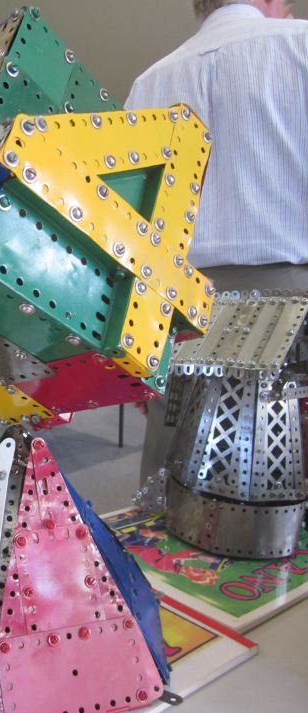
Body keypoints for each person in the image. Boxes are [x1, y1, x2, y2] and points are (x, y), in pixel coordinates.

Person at [124, 0, 308, 480]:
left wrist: (141, 353)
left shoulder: (149, 84)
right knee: (287, 488)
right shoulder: (301, 45)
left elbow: (132, 226)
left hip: (176, 315)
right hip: (294, 309)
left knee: (174, 490)